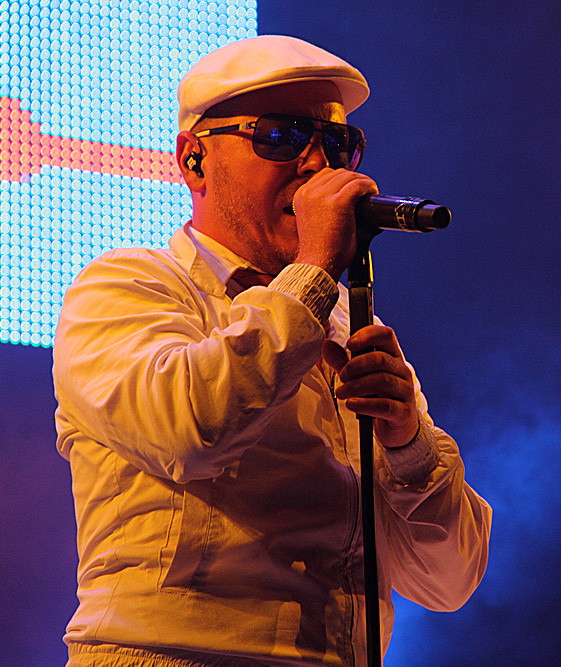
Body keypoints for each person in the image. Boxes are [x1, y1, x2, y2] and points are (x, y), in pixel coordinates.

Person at [52, 35, 492, 666]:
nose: (318, 166)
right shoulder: (126, 288)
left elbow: (448, 581)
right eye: (281, 138)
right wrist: (314, 270)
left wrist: (408, 442)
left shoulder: (339, 323)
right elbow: (189, 431)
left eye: (337, 144)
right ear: (194, 160)